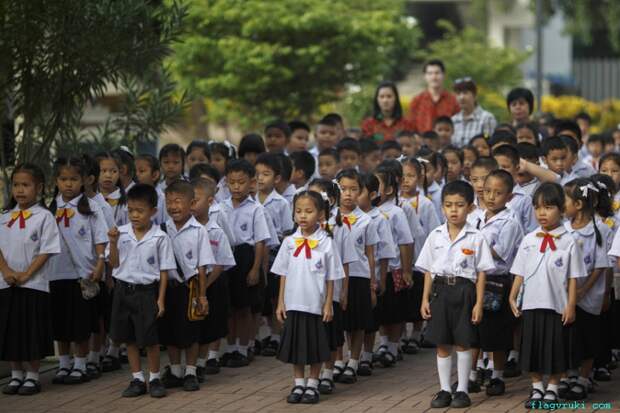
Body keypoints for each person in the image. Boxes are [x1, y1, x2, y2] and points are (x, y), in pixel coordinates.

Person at [416, 181, 495, 409]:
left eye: (459, 205)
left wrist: (479, 303)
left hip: (464, 291)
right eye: (448, 205)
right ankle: (444, 389)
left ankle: (462, 389)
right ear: (442, 208)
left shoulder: (476, 236)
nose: (453, 210)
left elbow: (481, 273)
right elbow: (429, 270)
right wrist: (424, 299)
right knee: (442, 343)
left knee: (463, 342)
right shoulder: (435, 235)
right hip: (440, 291)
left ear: (470, 207)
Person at [508, 183, 586, 408]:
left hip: (557, 306)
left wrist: (571, 305)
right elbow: (519, 272)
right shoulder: (529, 239)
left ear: (562, 209)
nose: (542, 213)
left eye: (549, 207)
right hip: (531, 304)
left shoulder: (569, 240)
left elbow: (573, 278)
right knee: (532, 346)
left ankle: (552, 386)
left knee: (556, 347)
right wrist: (512, 297)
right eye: (538, 207)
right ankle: (536, 386)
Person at [273, 190, 345, 404]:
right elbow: (283, 273)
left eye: (309, 211)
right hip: (294, 303)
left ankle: (313, 384)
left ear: (320, 214)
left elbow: (332, 276)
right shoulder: (289, 242)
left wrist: (329, 304)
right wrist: (280, 302)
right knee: (296, 347)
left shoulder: (326, 242)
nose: (302, 216)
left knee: (314, 346)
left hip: (315, 303)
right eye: (298, 211)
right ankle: (298, 384)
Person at [107, 184, 176, 398]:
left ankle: (154, 378)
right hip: (123, 290)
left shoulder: (159, 237)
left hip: (147, 292)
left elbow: (164, 271)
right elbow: (114, 264)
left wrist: (161, 300)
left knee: (150, 338)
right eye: (131, 210)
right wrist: (113, 242)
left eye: (140, 211)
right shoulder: (121, 233)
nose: (135, 215)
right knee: (129, 337)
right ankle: (137, 378)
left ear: (153, 211)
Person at [0, 164, 61, 395]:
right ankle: (16, 375)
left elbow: (46, 250)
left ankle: (33, 376)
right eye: (16, 185)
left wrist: (26, 274)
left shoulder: (44, 217)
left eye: (26, 185)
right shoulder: (4, 217)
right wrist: (6, 270)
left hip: (33, 284)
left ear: (39, 188)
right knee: (9, 330)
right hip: (6, 282)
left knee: (29, 331)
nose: (20, 190)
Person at [48, 157, 108, 386]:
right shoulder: (51, 208)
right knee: (61, 323)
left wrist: (100, 263)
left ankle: (81, 364)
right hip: (56, 273)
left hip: (83, 274)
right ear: (56, 181)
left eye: (74, 179)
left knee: (80, 323)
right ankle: (64, 364)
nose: (68, 184)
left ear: (83, 181)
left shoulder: (90, 207)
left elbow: (100, 238)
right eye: (63, 179)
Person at [159, 181, 214, 392]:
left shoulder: (199, 231)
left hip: (190, 287)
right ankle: (175, 371)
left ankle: (191, 371)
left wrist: (202, 296)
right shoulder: (162, 229)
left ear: (191, 203)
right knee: (170, 331)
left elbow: (202, 266)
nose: (173, 206)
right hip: (168, 287)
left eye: (178, 201)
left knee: (191, 331)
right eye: (169, 202)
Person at [475, 170, 524, 397]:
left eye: (498, 193)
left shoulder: (511, 222)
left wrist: (472, 247)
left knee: (496, 332)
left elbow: (499, 252)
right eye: (487, 191)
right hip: (474, 279)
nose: (491, 197)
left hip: (496, 281)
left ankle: (497, 376)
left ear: (509, 196)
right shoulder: (475, 216)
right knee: (474, 330)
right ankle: (472, 374)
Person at [562, 178, 611, 401]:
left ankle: (583, 378)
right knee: (568, 337)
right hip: (565, 296)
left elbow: (601, 266)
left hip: (588, 295)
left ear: (578, 204)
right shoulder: (563, 229)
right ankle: (569, 375)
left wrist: (583, 291)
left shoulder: (599, 230)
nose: (562, 205)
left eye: (565, 200)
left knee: (588, 337)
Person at [219, 160, 271, 367]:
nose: (236, 187)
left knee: (245, 307)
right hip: (226, 256)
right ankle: (230, 348)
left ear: (251, 183)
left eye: (241, 182)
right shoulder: (220, 207)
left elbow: (260, 241)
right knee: (229, 307)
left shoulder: (256, 209)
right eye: (232, 182)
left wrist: (255, 269)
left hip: (246, 256)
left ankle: (244, 347)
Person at [334, 169, 378, 384]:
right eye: (343, 189)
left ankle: (353, 360)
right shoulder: (330, 217)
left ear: (361, 192)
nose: (348, 194)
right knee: (338, 320)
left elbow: (370, 253)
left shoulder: (366, 220)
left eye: (354, 189)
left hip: (359, 275)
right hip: (336, 275)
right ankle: (337, 361)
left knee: (357, 321)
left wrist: (372, 283)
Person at [191, 178, 236, 379]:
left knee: (211, 322)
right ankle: (187, 366)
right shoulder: (180, 228)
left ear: (210, 201)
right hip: (190, 281)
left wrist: (205, 286)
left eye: (196, 200)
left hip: (212, 280)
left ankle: (206, 360)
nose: (191, 204)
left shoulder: (216, 230)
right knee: (192, 324)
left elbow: (221, 262)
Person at [373, 164, 414, 366]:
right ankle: (383, 342)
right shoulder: (368, 212)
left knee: (395, 310)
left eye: (376, 185)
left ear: (388, 190)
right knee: (381, 310)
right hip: (376, 269)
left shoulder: (396, 212)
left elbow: (406, 241)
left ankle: (394, 346)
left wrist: (406, 270)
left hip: (393, 269)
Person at [255, 153, 294, 355]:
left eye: (266, 174)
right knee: (259, 296)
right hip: (255, 254)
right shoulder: (251, 201)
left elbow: (287, 231)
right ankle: (262, 335)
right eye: (257, 174)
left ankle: (277, 335)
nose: (260, 178)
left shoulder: (281, 203)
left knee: (273, 296)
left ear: (277, 178)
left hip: (274, 253)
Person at [407, 59, 459, 134]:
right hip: (422, 143)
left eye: (437, 73)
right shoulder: (417, 101)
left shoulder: (453, 100)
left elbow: (457, 126)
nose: (434, 77)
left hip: (447, 144)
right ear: (425, 76)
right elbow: (411, 127)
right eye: (430, 73)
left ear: (444, 75)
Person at [451, 78, 497, 148]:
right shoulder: (453, 121)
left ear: (475, 95)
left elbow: (490, 146)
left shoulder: (487, 119)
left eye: (465, 93)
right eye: (458, 93)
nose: (461, 97)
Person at [96, 152, 129, 226]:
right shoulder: (90, 198)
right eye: (103, 171)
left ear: (120, 173)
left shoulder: (127, 201)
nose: (108, 175)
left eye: (114, 171)